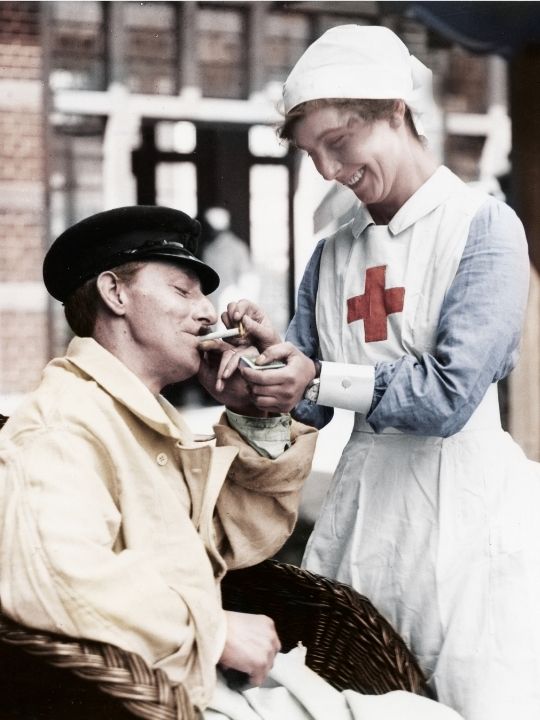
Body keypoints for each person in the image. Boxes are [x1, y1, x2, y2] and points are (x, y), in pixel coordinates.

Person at [0, 205, 461, 720]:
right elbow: (49, 578)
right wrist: (213, 630)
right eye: (183, 291)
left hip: (201, 683)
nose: (209, 313)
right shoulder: (64, 425)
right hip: (158, 698)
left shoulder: (134, 417)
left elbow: (233, 540)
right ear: (115, 293)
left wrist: (254, 414)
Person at [219, 24, 540, 720]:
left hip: (467, 521)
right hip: (364, 519)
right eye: (312, 155)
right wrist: (260, 376)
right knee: (356, 698)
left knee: (472, 702)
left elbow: (449, 397)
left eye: (339, 143)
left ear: (396, 110)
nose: (329, 171)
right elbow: (303, 404)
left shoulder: (482, 228)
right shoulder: (333, 252)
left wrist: (316, 376)